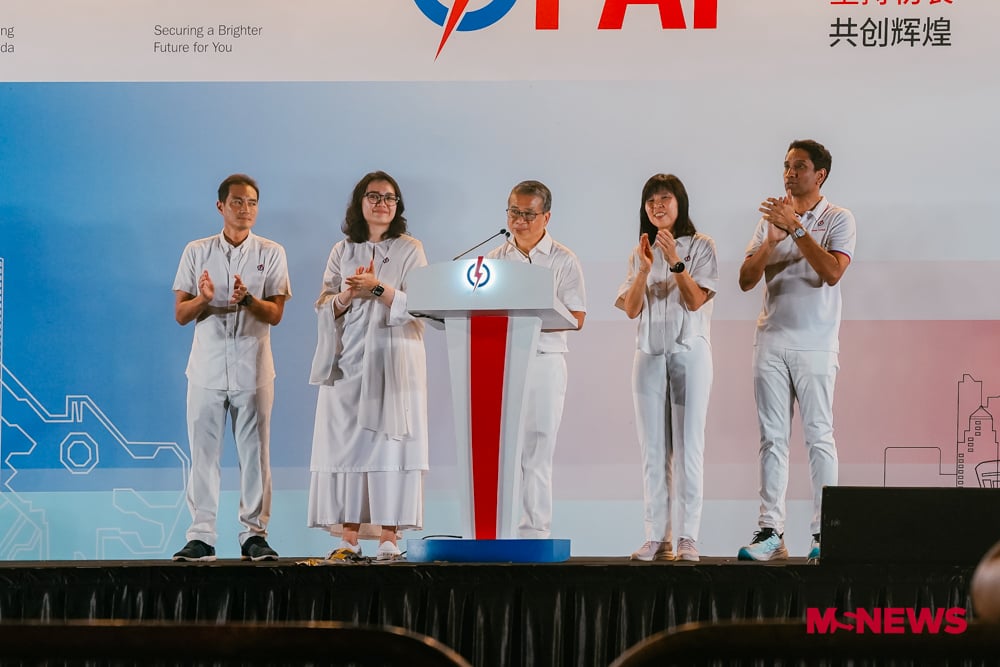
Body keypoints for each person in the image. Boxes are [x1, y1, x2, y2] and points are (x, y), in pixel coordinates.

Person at [737, 139, 857, 561]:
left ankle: (825, 535)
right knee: (772, 440)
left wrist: (798, 227)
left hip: (816, 343)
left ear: (819, 174)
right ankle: (771, 531)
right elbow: (746, 280)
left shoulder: (839, 218)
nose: (789, 174)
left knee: (819, 438)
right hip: (770, 340)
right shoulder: (771, 217)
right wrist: (772, 240)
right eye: (786, 166)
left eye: (799, 167)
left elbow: (830, 272)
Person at [307, 171, 429, 562]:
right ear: (360, 203)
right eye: (374, 196)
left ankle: (389, 536)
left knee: (388, 447)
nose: (382, 204)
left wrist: (376, 289)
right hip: (348, 361)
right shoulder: (342, 250)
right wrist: (346, 294)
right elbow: (324, 304)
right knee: (347, 446)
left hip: (393, 358)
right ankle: (349, 535)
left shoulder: (411, 249)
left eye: (390, 198)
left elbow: (421, 304)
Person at [172, 173, 291, 562]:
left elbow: (274, 314)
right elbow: (181, 314)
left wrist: (249, 301)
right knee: (202, 453)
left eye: (252, 202)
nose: (245, 209)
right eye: (237, 202)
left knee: (256, 454)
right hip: (205, 369)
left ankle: (254, 534)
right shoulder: (196, 251)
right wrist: (205, 298)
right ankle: (201, 536)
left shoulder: (271, 252)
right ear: (220, 206)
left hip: (253, 369)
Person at [616, 174, 718, 563]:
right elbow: (630, 309)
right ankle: (657, 536)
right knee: (652, 450)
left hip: (690, 351)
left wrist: (675, 259)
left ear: (680, 203)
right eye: (650, 202)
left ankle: (688, 537)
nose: (657, 206)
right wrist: (644, 269)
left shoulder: (701, 246)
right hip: (648, 354)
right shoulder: (639, 251)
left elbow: (694, 301)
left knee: (689, 446)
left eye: (664, 199)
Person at [486, 180, 586, 539]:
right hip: (501, 360)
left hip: (545, 359)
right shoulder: (494, 259)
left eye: (528, 214)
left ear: (547, 216)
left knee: (538, 447)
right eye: (514, 212)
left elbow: (576, 317)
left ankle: (534, 532)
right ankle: (497, 530)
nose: (520, 221)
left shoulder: (562, 258)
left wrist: (530, 316)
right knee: (501, 451)